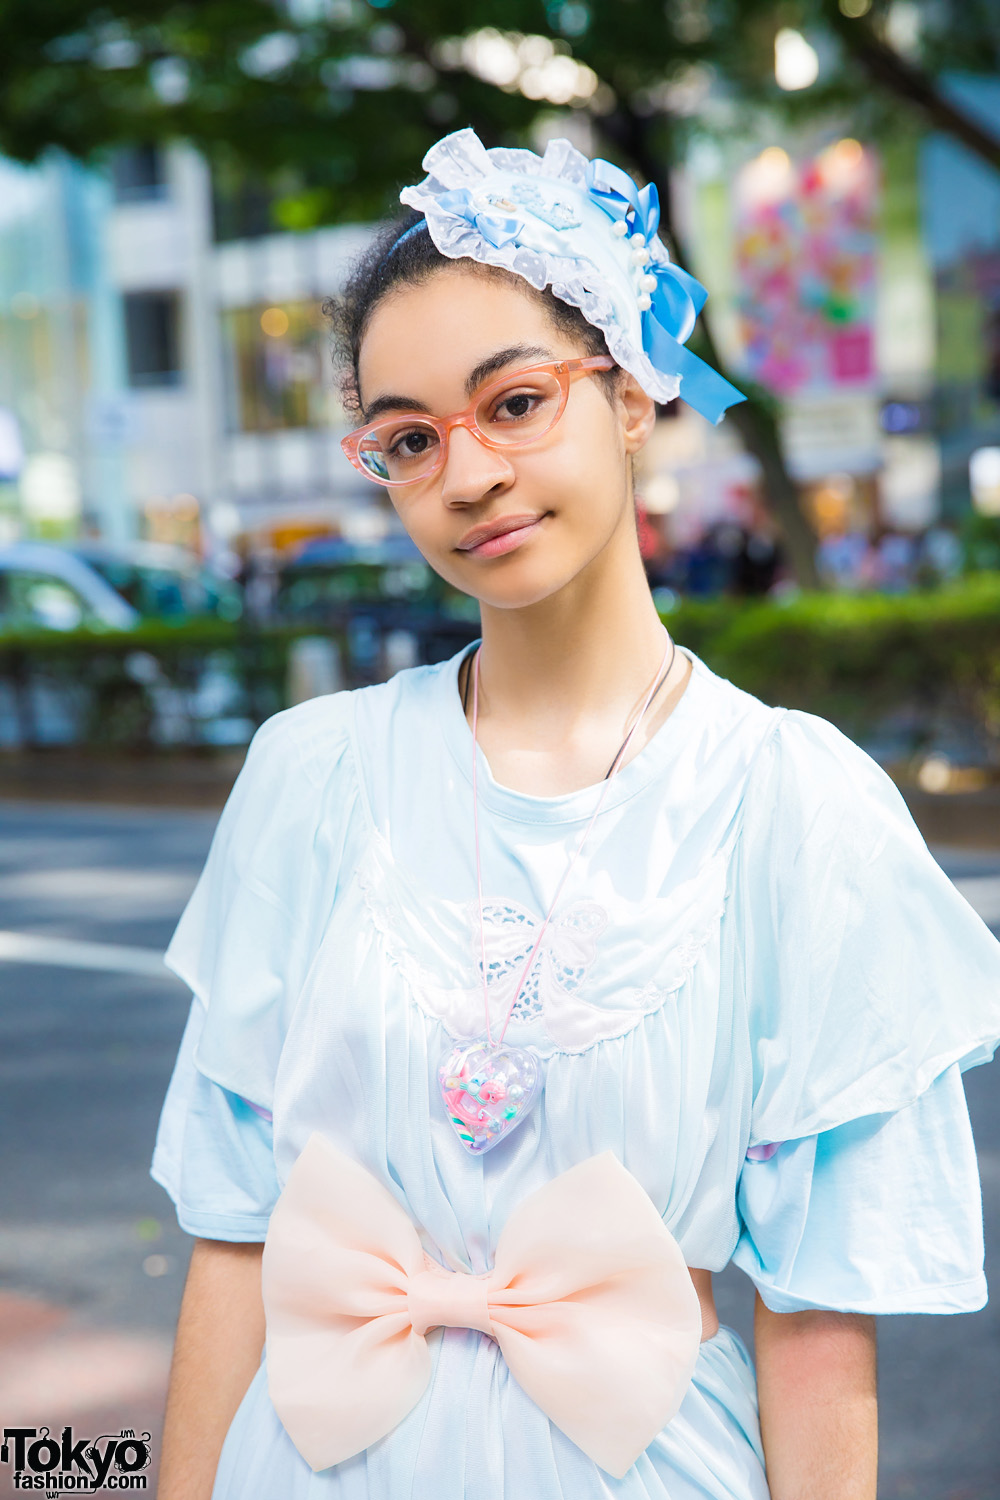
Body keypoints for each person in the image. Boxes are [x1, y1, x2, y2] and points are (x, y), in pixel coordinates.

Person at [151, 129, 1000, 1500]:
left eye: (516, 402)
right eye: (409, 439)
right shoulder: (311, 775)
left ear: (632, 394)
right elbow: (236, 1233)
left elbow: (818, 1314)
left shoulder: (794, 804)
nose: (468, 474)